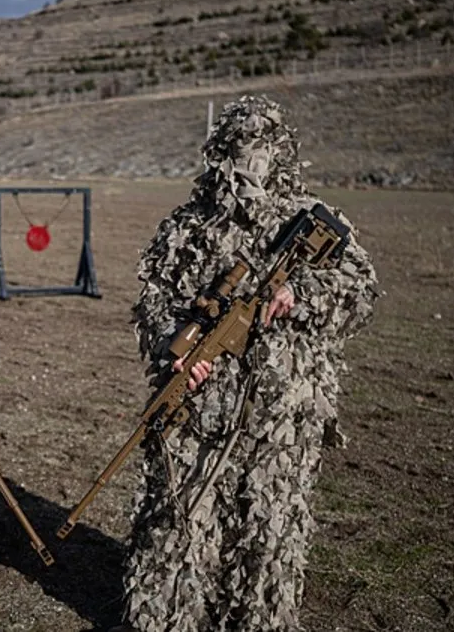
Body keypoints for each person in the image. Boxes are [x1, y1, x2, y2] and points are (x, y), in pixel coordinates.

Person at [116, 95, 380, 632]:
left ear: (281, 154)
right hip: (198, 412)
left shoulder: (308, 221)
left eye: (258, 150)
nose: (246, 165)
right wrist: (176, 352)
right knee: (179, 524)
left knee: (269, 540)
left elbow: (361, 291)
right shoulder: (188, 226)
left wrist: (299, 294)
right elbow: (154, 301)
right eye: (237, 150)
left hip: (282, 416)